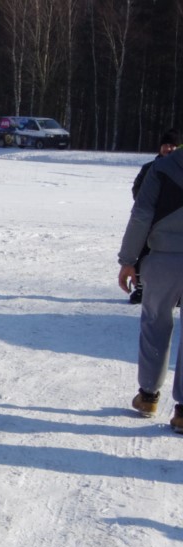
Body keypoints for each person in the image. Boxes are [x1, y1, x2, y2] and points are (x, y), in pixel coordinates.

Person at [118, 142, 183, 432]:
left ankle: (148, 396)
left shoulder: (162, 167)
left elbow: (142, 215)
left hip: (163, 259)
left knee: (155, 322)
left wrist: (128, 260)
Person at [127, 129, 180, 304]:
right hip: (149, 221)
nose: (169, 149)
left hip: (173, 223)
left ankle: (178, 292)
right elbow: (137, 190)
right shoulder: (149, 168)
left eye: (173, 145)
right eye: (166, 145)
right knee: (144, 254)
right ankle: (141, 288)